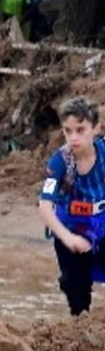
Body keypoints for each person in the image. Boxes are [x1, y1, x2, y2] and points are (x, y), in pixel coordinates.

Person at [39, 95, 105, 316]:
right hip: (70, 227)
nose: (73, 138)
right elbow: (45, 206)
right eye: (68, 131)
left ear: (96, 128)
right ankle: (80, 332)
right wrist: (68, 238)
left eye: (80, 130)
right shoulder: (59, 163)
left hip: (102, 222)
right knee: (76, 290)